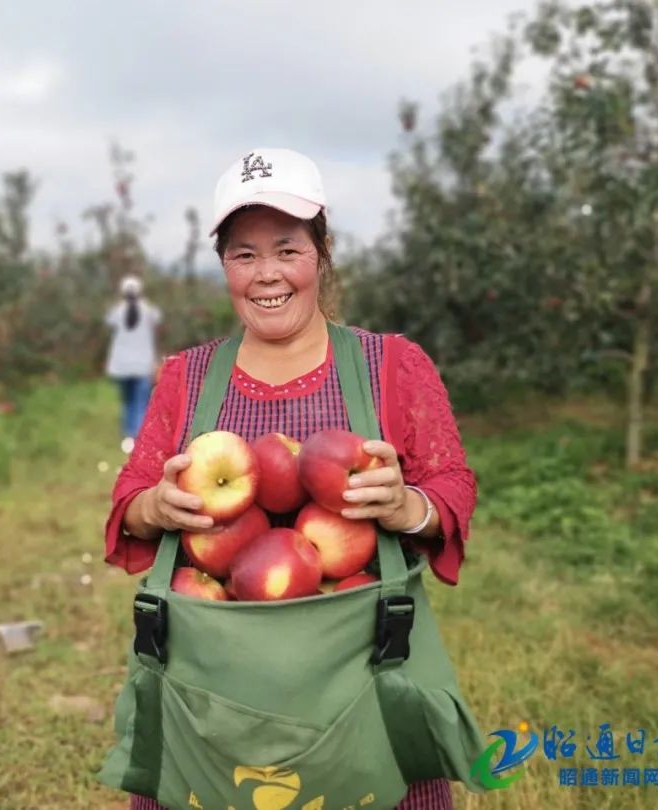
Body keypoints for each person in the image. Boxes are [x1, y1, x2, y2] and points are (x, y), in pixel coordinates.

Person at [103, 148, 477, 810]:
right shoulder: (187, 379)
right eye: (244, 254)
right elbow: (128, 506)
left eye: (286, 249)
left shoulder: (389, 366)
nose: (267, 274)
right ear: (224, 266)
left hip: (358, 678)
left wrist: (405, 506)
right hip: (218, 684)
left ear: (321, 253)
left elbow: (450, 487)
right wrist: (156, 506)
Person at [105, 274, 162, 454]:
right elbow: (157, 319)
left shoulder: (117, 311)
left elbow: (109, 321)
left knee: (128, 401)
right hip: (142, 365)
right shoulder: (148, 311)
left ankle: (129, 435)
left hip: (121, 366)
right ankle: (137, 437)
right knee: (141, 401)